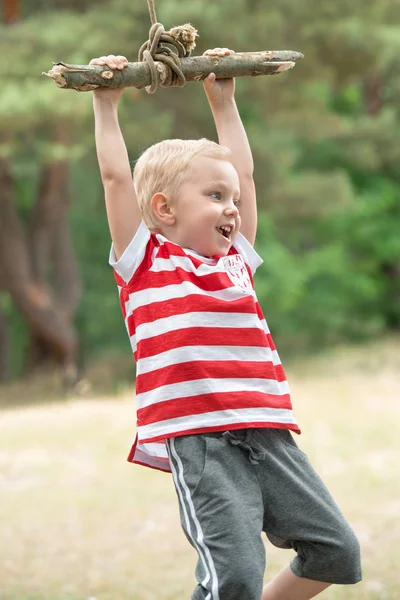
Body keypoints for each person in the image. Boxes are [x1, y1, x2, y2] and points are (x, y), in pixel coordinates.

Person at [90, 48, 362, 600]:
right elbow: (117, 178)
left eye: (232, 198)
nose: (233, 207)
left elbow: (246, 173)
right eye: (215, 197)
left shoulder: (235, 261)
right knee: (233, 573)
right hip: (202, 441)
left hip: (268, 431)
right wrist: (105, 103)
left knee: (337, 551)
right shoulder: (143, 264)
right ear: (165, 210)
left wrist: (224, 101)